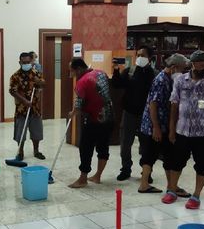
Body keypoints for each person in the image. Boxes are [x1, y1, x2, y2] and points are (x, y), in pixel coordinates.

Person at [165, 50, 204, 209]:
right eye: (201, 64)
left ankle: (196, 195)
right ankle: (172, 190)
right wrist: (171, 130)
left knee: (203, 164)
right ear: (193, 64)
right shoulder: (180, 80)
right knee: (176, 162)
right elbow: (174, 106)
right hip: (182, 130)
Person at [138, 54, 190, 198]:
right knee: (150, 155)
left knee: (169, 156)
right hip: (155, 126)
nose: (184, 72)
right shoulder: (161, 80)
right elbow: (153, 104)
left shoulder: (170, 79)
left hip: (164, 125)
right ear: (174, 68)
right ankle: (144, 184)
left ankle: (171, 186)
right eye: (182, 69)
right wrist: (156, 127)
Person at [112, 45, 156, 182]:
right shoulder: (130, 71)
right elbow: (117, 84)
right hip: (129, 113)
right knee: (125, 143)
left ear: (149, 58)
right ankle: (126, 169)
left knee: (146, 145)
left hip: (146, 115)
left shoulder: (154, 74)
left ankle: (146, 171)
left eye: (142, 55)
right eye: (138, 55)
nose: (139, 58)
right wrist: (116, 71)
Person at [68, 58, 114, 188]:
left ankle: (83, 179)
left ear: (78, 69)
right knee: (103, 147)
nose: (71, 74)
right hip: (109, 117)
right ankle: (98, 176)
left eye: (72, 71)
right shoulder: (101, 73)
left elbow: (78, 104)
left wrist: (73, 113)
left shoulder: (82, 82)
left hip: (94, 120)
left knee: (85, 148)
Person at [9, 52, 45, 160]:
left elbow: (43, 84)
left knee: (36, 132)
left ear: (31, 62)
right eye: (24, 62)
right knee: (21, 133)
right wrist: (24, 101)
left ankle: (36, 151)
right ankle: (20, 152)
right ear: (20, 62)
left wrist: (40, 82)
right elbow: (12, 91)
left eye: (28, 62)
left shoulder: (36, 73)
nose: (26, 64)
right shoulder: (15, 76)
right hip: (21, 109)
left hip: (35, 109)